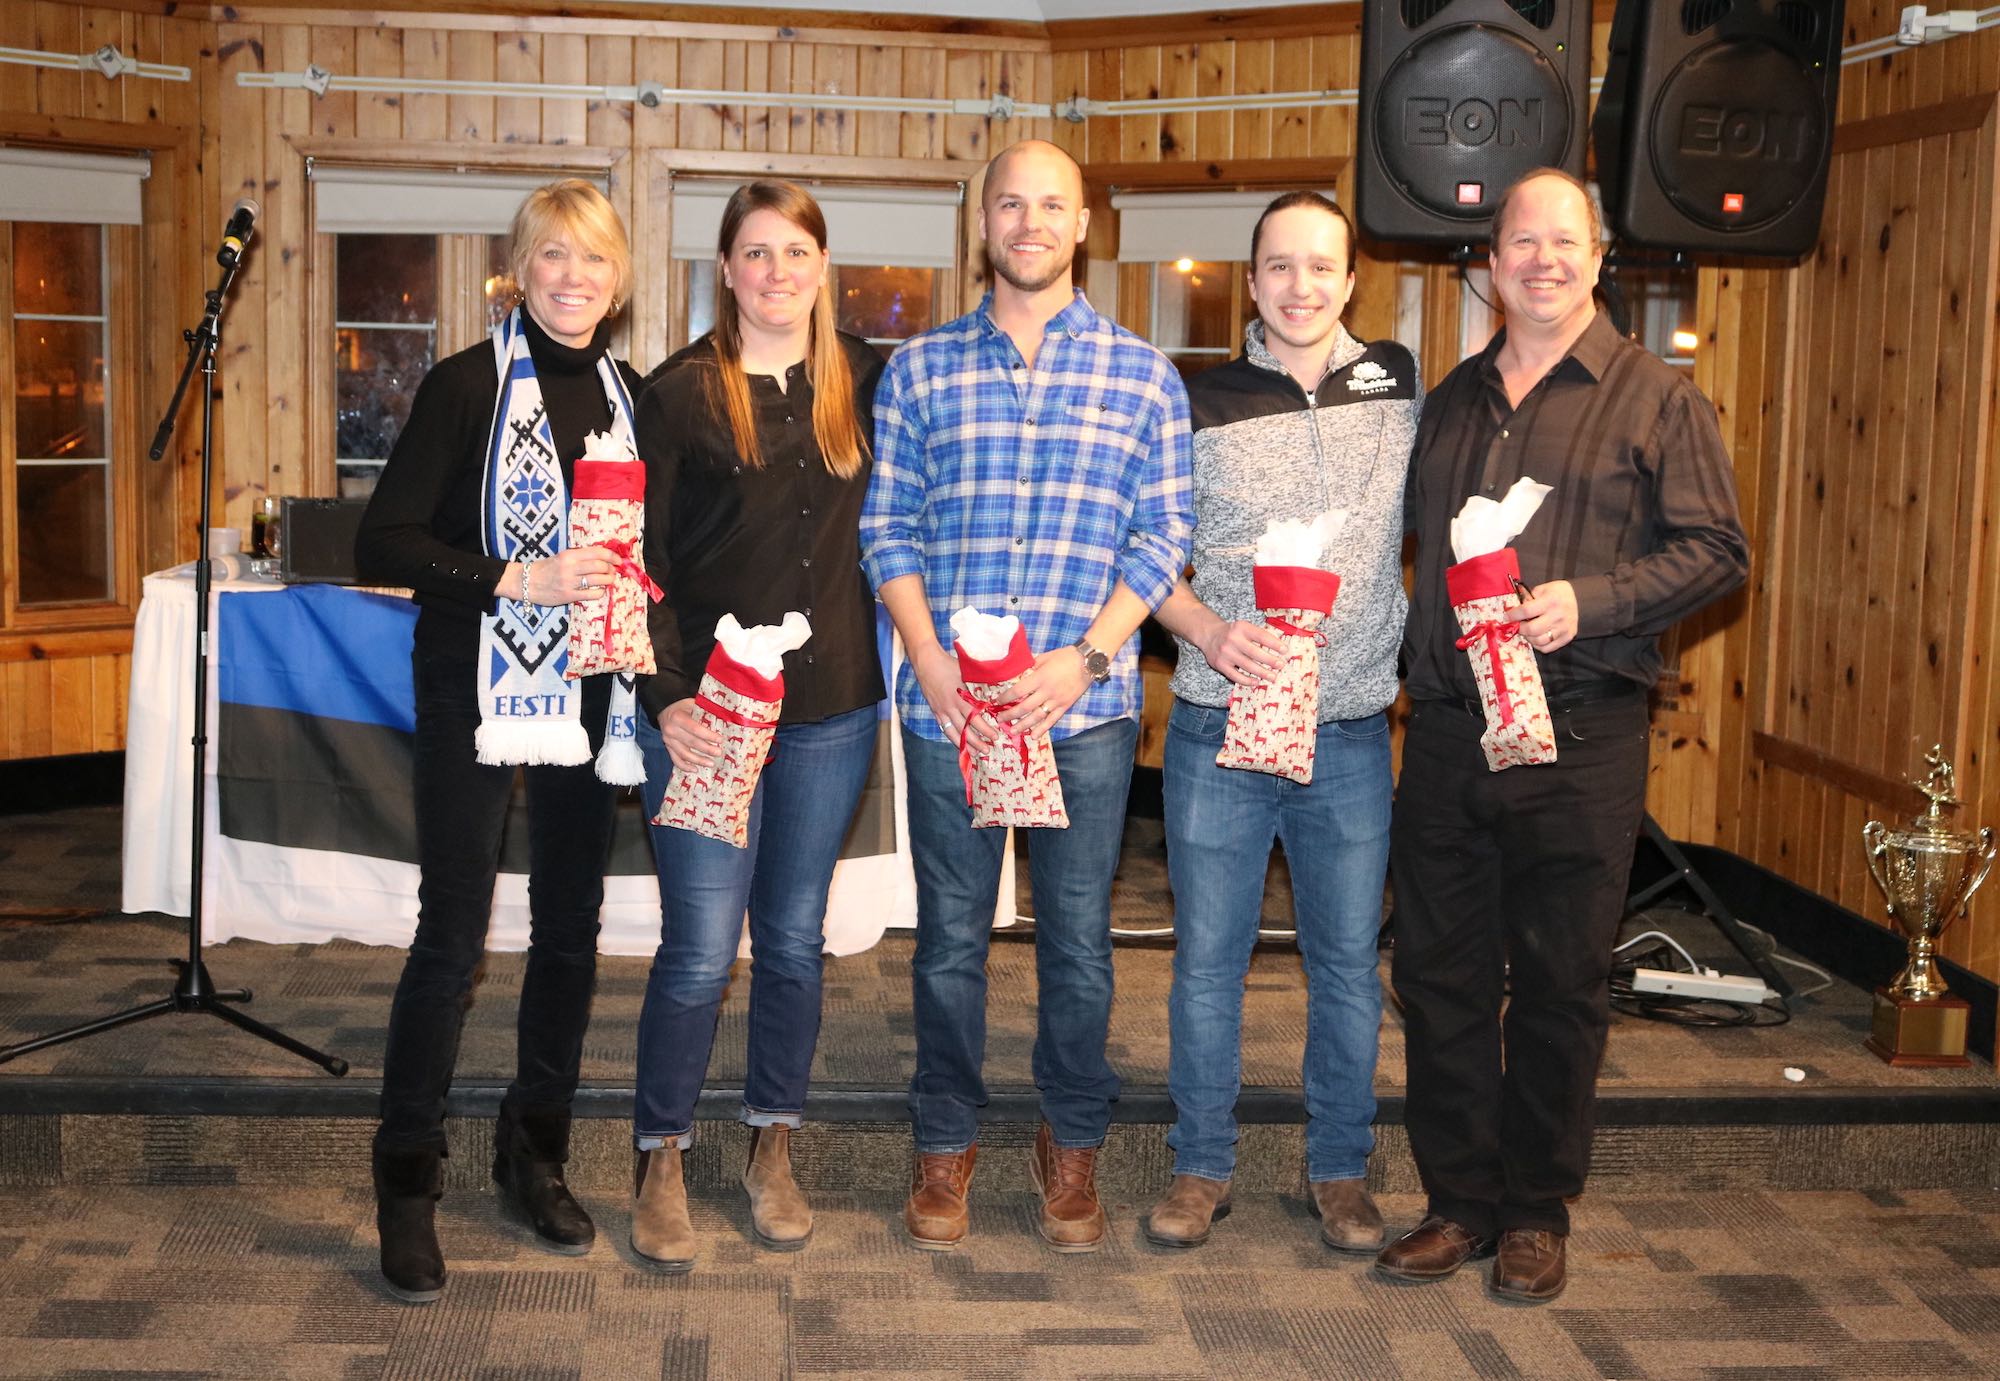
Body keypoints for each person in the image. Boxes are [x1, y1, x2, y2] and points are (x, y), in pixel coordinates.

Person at [1377, 168, 1747, 1301]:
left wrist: (1591, 600)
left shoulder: (1656, 398)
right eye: (1518, 241)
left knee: (1556, 980)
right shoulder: (1446, 400)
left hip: (1579, 733)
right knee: (1436, 977)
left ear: (1598, 256)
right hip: (1446, 731)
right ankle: (1456, 1202)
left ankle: (1534, 1209)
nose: (1540, 259)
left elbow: (1717, 551)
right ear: (1490, 262)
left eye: (1563, 241)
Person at [860, 138, 1194, 1255]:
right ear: (984, 223)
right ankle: (944, 1144)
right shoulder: (917, 371)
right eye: (1010, 203)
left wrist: (1088, 659)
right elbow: (886, 527)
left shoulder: (1145, 375)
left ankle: (1071, 1145)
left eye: (1051, 204)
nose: (1030, 221)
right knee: (949, 939)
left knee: (1079, 944)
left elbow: (1162, 535)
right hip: (946, 708)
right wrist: (929, 659)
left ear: (1082, 223)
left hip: (1081, 716)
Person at [355, 179, 645, 1303]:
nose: (574, 280)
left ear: (616, 281)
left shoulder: (628, 399)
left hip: (585, 690)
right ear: (519, 270)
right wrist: (509, 575)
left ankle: (535, 1152)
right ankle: (406, 1182)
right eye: (554, 258)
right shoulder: (466, 383)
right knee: (453, 932)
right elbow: (384, 536)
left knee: (570, 928)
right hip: (470, 682)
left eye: (594, 262)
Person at [1143, 191, 1420, 1253]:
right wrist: (1206, 633)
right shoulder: (1195, 401)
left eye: (1319, 267)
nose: (1298, 286)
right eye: (1276, 268)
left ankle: (1339, 1170)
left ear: (1349, 279)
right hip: (1218, 728)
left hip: (1349, 729)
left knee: (1345, 964)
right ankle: (1198, 1166)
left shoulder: (1395, 384)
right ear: (1248, 281)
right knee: (1205, 962)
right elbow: (1144, 560)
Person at [625, 180, 885, 1272]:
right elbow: (629, 560)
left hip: (830, 708)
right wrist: (665, 695)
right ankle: (660, 1155)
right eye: (755, 254)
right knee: (695, 950)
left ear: (823, 265)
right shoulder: (676, 392)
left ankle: (772, 1143)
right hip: (704, 714)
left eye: (795, 253)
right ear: (725, 269)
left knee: (789, 941)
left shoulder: (868, 379)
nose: (776, 273)